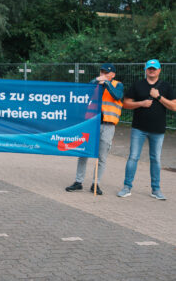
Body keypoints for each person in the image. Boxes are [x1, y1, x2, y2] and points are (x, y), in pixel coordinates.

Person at [117, 59, 176, 200]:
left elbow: (174, 106)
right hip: (139, 128)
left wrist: (159, 97)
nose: (152, 70)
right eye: (149, 68)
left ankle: (156, 190)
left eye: (154, 68)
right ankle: (127, 187)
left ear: (159, 70)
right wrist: (141, 103)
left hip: (158, 130)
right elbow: (125, 104)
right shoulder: (138, 85)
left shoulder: (166, 87)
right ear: (145, 70)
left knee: (155, 159)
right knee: (133, 157)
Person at [66, 63, 124, 195]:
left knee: (102, 156)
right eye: (102, 72)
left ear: (113, 74)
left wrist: (107, 84)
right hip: (92, 123)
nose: (103, 74)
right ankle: (78, 181)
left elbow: (117, 96)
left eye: (106, 72)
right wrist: (96, 81)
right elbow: (86, 90)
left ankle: (96, 184)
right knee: (83, 152)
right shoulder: (96, 83)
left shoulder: (117, 84)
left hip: (108, 125)